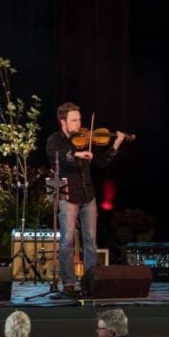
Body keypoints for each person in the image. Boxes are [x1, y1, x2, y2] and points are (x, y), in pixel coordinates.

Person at [45, 102, 125, 294]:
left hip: (88, 196)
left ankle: (91, 281)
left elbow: (101, 163)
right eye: (74, 120)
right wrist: (76, 153)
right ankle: (69, 283)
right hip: (68, 196)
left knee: (90, 240)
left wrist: (115, 145)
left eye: (79, 119)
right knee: (67, 241)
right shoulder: (55, 140)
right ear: (63, 121)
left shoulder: (86, 138)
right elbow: (58, 156)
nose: (78, 124)